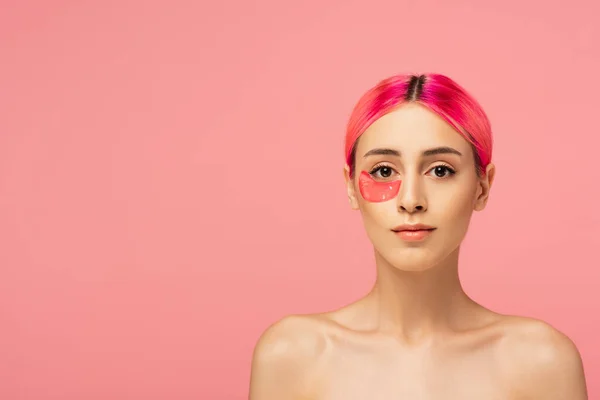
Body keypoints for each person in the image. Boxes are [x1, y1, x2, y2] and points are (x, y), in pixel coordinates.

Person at [248, 73, 588, 399]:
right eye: (384, 171)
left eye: (440, 170)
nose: (411, 200)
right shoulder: (292, 356)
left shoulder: (542, 362)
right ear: (351, 187)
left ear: (483, 186)